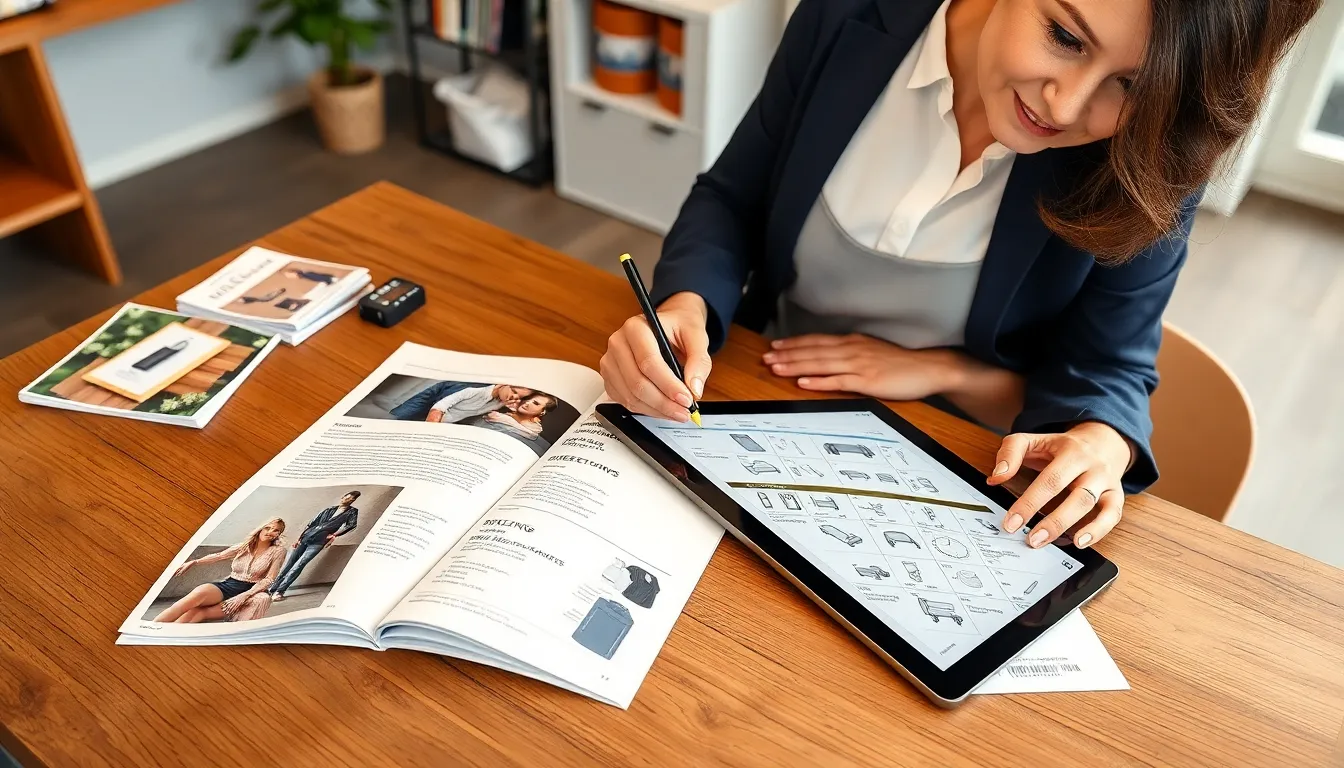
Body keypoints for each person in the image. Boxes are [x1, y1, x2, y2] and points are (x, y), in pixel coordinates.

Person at [601, 0, 1318, 550]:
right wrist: (684, 306)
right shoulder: (850, 16)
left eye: (1129, 84)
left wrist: (1087, 433)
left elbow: (1109, 371)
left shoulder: (1151, 162)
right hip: (747, 396)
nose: (1065, 105)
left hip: (953, 467)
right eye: (1065, 37)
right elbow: (733, 198)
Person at [154, 518, 287, 623]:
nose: (270, 532)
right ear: (260, 529)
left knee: (198, 613)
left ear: (278, 535)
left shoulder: (278, 551)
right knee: (190, 600)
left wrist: (244, 595)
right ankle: (151, 628)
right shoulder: (244, 547)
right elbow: (219, 556)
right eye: (267, 527)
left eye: (275, 530)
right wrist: (194, 562)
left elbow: (270, 579)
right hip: (228, 585)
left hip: (251, 592)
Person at [267, 491, 361, 602]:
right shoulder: (328, 510)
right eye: (348, 497)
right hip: (306, 538)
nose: (349, 500)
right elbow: (311, 523)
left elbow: (351, 525)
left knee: (299, 565)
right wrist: (299, 539)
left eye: (352, 499)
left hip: (318, 542)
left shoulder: (352, 512)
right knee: (289, 564)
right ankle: (271, 589)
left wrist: (335, 534)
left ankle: (280, 591)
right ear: (343, 497)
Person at [389, 381, 532, 423]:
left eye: (518, 397)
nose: (513, 398)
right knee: (399, 417)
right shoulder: (475, 390)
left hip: (446, 415)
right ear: (504, 384)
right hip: (441, 395)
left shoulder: (501, 402)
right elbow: (441, 405)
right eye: (514, 392)